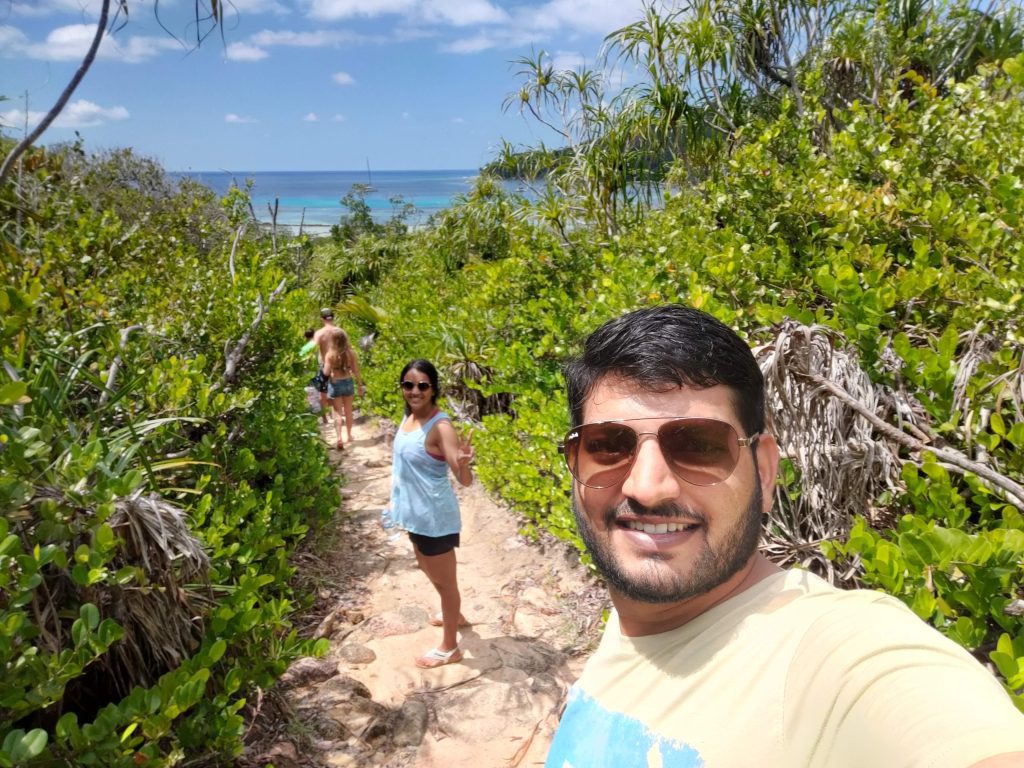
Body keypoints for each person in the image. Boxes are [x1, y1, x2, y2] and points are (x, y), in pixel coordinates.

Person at [546, 304, 1024, 768]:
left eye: (698, 445)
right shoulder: (636, 621)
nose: (647, 488)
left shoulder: (838, 654)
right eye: (607, 446)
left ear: (766, 472)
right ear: (575, 467)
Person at [388, 359, 474, 668]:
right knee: (427, 568)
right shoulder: (408, 417)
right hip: (414, 514)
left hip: (435, 518)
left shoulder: (441, 427)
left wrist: (462, 464)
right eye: (408, 385)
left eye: (422, 385)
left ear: (433, 389)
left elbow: (463, 479)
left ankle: (450, 647)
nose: (415, 391)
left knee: (446, 584)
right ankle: (455, 614)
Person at [321, 326, 364, 449]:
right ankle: (349, 436)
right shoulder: (351, 353)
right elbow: (356, 370)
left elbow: (326, 372)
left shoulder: (330, 354)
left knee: (337, 412)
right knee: (348, 411)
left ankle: (339, 438)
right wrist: (360, 384)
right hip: (348, 382)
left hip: (335, 383)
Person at [312, 308, 337, 416]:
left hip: (325, 365)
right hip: (338, 364)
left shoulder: (320, 333)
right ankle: (335, 414)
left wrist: (299, 353)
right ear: (333, 317)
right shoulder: (339, 331)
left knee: (323, 392)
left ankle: (325, 417)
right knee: (336, 390)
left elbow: (310, 346)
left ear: (322, 319)